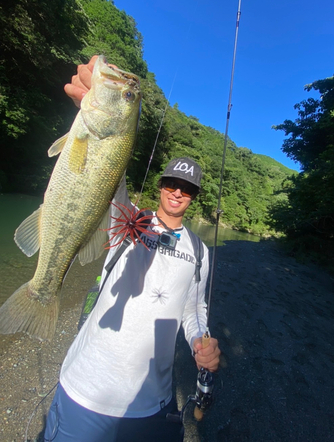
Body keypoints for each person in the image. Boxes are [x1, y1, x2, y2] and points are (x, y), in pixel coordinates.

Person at [44, 57, 221, 442]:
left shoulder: (200, 252)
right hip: (85, 392)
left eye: (188, 189)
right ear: (160, 184)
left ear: (194, 198)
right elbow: (102, 179)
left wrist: (199, 341)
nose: (178, 191)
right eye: (173, 182)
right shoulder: (127, 220)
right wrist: (99, 110)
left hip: (153, 405)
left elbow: (194, 312)